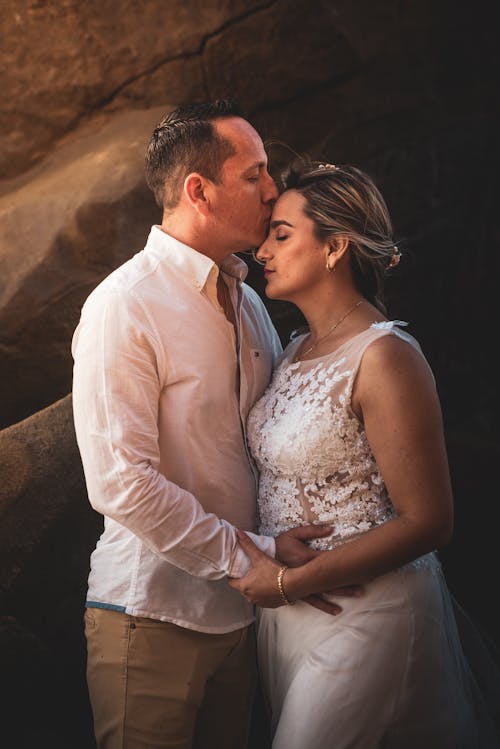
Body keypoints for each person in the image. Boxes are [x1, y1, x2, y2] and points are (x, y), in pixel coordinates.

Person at [71, 101, 342, 749]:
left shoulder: (250, 302)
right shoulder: (124, 305)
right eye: (255, 175)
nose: (274, 191)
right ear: (199, 190)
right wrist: (246, 556)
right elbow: (120, 482)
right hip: (150, 617)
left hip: (244, 620)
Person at [229, 160, 500, 748]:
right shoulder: (294, 348)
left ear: (335, 248)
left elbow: (430, 521)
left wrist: (289, 584)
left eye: (281, 234)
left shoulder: (386, 355)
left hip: (369, 611)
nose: (261, 251)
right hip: (291, 621)